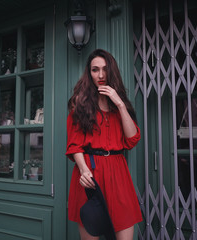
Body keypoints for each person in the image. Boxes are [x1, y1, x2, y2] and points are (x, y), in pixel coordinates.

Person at [66, 49, 142, 240]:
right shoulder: (80, 103)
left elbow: (132, 139)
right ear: (88, 73)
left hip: (118, 174)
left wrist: (121, 105)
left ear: (112, 71)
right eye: (95, 70)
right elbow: (74, 144)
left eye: (105, 69)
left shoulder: (119, 105)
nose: (100, 75)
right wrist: (83, 170)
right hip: (90, 174)